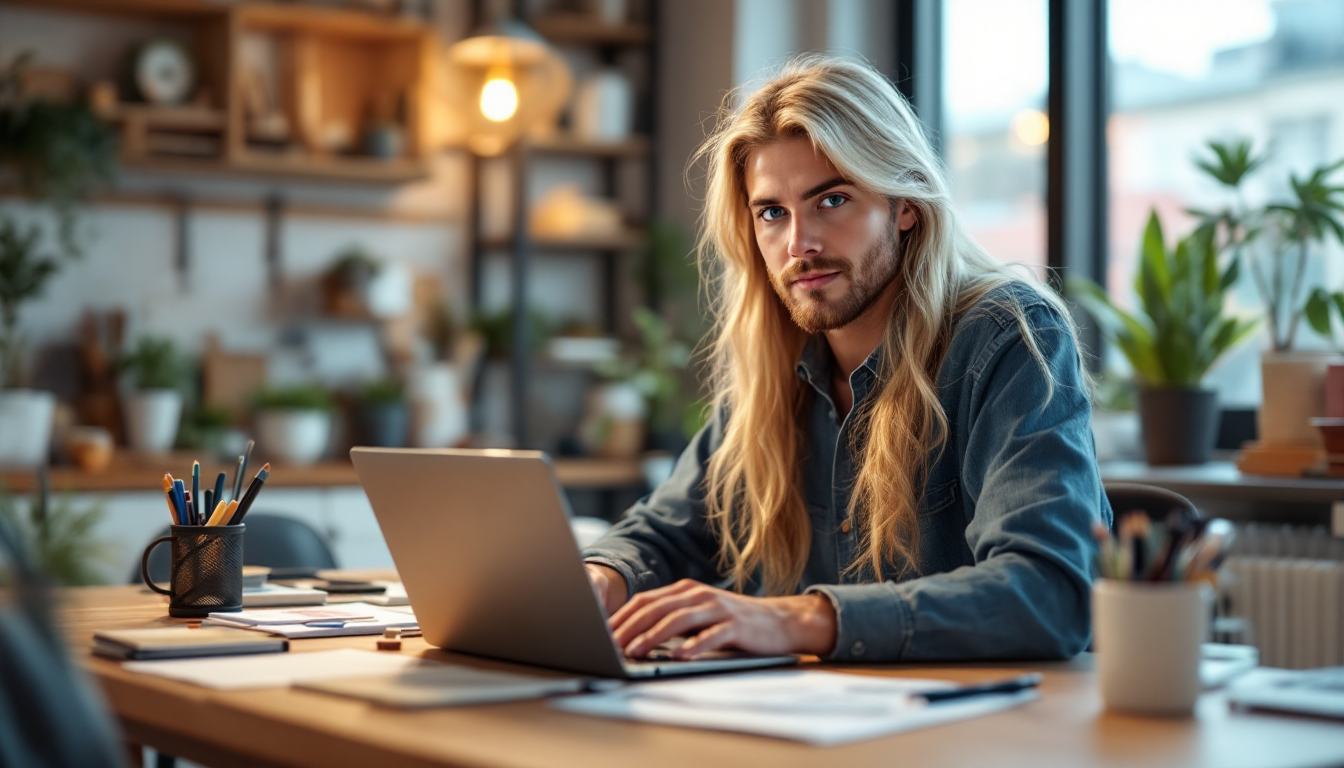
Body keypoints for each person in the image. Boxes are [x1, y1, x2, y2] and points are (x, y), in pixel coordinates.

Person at [582, 54, 1109, 663]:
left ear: (904, 204)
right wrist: (599, 579)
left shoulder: (1005, 337)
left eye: (831, 201)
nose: (799, 243)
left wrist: (799, 620)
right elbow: (664, 535)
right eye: (772, 213)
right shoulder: (776, 364)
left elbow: (1049, 592)